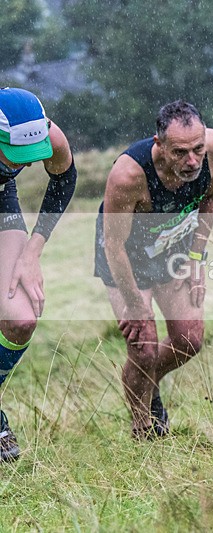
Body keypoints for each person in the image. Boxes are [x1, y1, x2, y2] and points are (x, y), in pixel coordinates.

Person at [94, 100, 213, 438]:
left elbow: (211, 198)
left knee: (189, 339)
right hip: (126, 254)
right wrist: (135, 306)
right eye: (180, 152)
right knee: (144, 346)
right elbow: (114, 246)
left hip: (173, 245)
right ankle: (145, 429)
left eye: (197, 149)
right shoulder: (128, 176)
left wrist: (197, 259)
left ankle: (146, 382)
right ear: (160, 146)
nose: (192, 161)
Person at [0, 88, 78, 460]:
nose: (27, 164)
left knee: (21, 319)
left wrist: (32, 252)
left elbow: (63, 179)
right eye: (16, 155)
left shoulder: (50, 134)